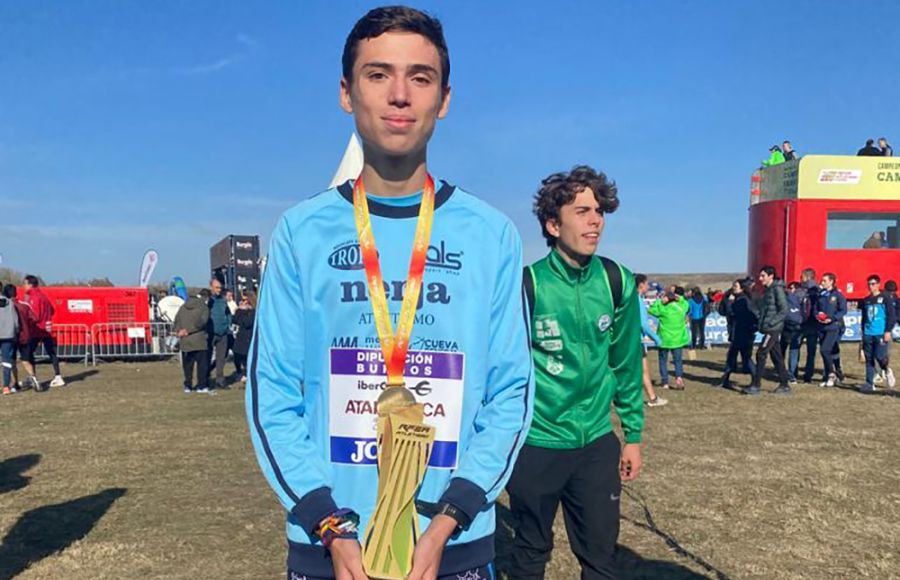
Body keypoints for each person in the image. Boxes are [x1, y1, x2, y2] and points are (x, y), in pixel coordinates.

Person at [246, 7, 533, 580]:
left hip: (450, 548)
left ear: (444, 99)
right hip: (332, 545)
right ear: (346, 93)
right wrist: (328, 524)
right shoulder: (302, 232)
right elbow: (271, 393)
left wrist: (450, 520)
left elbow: (511, 391)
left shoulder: (491, 234)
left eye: (420, 78)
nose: (399, 95)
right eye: (378, 75)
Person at [508, 166, 643, 580]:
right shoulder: (526, 285)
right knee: (531, 551)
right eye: (582, 210)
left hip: (596, 444)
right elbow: (503, 371)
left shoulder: (616, 279)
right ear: (553, 223)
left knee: (601, 558)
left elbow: (626, 361)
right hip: (537, 443)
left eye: (599, 210)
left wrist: (632, 435)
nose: (596, 220)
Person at [745, 266, 791, 395]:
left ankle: (756, 384)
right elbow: (763, 308)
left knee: (761, 353)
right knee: (776, 356)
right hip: (768, 327)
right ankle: (784, 384)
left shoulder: (777, 289)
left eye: (763, 276)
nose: (760, 279)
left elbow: (784, 309)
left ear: (771, 276)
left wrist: (771, 323)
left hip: (773, 329)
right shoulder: (767, 290)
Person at [23, 275, 65, 389]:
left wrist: (26, 321)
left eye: (25, 283)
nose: (24, 286)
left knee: (28, 353)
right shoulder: (43, 296)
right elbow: (52, 310)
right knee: (51, 353)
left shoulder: (33, 297)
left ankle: (33, 377)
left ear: (30, 284)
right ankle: (58, 375)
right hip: (46, 329)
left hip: (37, 329)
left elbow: (35, 316)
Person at [859, 275, 896, 394]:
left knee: (879, 356)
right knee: (869, 359)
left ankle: (887, 370)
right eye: (869, 284)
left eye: (873, 284)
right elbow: (864, 318)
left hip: (880, 332)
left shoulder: (885, 298)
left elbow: (891, 315)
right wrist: (862, 331)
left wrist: (888, 331)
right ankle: (869, 383)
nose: (871, 286)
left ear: (878, 284)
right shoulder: (866, 300)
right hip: (868, 332)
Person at [636, 274, 667, 407]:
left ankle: (652, 397)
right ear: (641, 284)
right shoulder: (637, 300)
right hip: (636, 341)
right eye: (646, 284)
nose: (648, 287)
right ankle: (653, 399)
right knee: (644, 370)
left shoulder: (626, 299)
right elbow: (643, 324)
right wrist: (657, 339)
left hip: (626, 340)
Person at [719, 279, 757, 389]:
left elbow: (733, 313)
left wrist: (731, 303)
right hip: (736, 333)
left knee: (746, 358)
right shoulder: (734, 297)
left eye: (736, 286)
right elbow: (722, 311)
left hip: (743, 333)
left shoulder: (743, 300)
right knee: (731, 357)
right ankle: (725, 379)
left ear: (742, 287)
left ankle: (755, 379)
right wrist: (725, 299)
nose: (733, 287)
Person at [649, 290, 689, 390]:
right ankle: (679, 378)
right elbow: (686, 304)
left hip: (664, 339)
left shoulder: (662, 309)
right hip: (677, 340)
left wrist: (658, 301)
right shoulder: (681, 308)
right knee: (678, 360)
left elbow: (651, 310)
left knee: (663, 360)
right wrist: (680, 298)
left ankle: (665, 381)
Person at [2, 284, 39, 391]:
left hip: (11, 336)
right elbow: (34, 318)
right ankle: (34, 378)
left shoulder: (7, 305)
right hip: (25, 336)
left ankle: (15, 383)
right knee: (26, 360)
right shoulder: (24, 305)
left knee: (12, 361)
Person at [174, 289, 211, 394]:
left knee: (187, 367)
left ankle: (188, 385)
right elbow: (202, 323)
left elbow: (176, 321)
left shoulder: (182, 308)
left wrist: (180, 331)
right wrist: (190, 330)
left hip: (185, 342)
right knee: (202, 366)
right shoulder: (204, 307)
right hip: (199, 340)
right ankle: (201, 386)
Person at [815, 272, 847, 387]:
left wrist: (832, 318)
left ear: (831, 281)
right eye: (821, 280)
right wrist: (818, 316)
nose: (821, 282)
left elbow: (843, 310)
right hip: (821, 327)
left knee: (825, 350)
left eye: (824, 281)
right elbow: (815, 308)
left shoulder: (837, 295)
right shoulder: (821, 294)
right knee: (828, 352)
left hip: (833, 327)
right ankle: (829, 373)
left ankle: (831, 374)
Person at [206, 278, 231, 390]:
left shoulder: (223, 301)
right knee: (207, 357)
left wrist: (228, 325)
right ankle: (205, 377)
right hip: (211, 333)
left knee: (221, 358)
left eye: (220, 287)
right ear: (211, 287)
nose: (219, 290)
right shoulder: (208, 301)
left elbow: (228, 314)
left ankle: (220, 380)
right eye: (216, 287)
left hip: (223, 333)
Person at [780, 281, 805, 385]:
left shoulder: (786, 297)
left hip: (787, 325)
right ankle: (792, 374)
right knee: (794, 351)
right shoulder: (804, 296)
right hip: (799, 325)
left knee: (782, 349)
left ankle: (781, 371)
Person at [875, 279, 898, 388]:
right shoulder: (883, 297)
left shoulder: (893, 298)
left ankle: (883, 371)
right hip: (880, 327)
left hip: (886, 328)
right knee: (876, 353)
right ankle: (880, 372)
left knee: (882, 353)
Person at [231, 291, 255, 385]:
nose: (243, 301)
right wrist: (239, 310)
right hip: (241, 336)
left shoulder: (254, 311)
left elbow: (247, 323)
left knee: (247, 357)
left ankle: (247, 374)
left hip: (249, 336)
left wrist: (244, 311)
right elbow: (235, 320)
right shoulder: (243, 311)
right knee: (237, 355)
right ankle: (240, 372)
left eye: (244, 300)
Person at [0, 290, 19, 395]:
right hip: (8, 335)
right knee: (6, 361)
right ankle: (6, 386)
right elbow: (15, 321)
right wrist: (15, 330)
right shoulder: (10, 303)